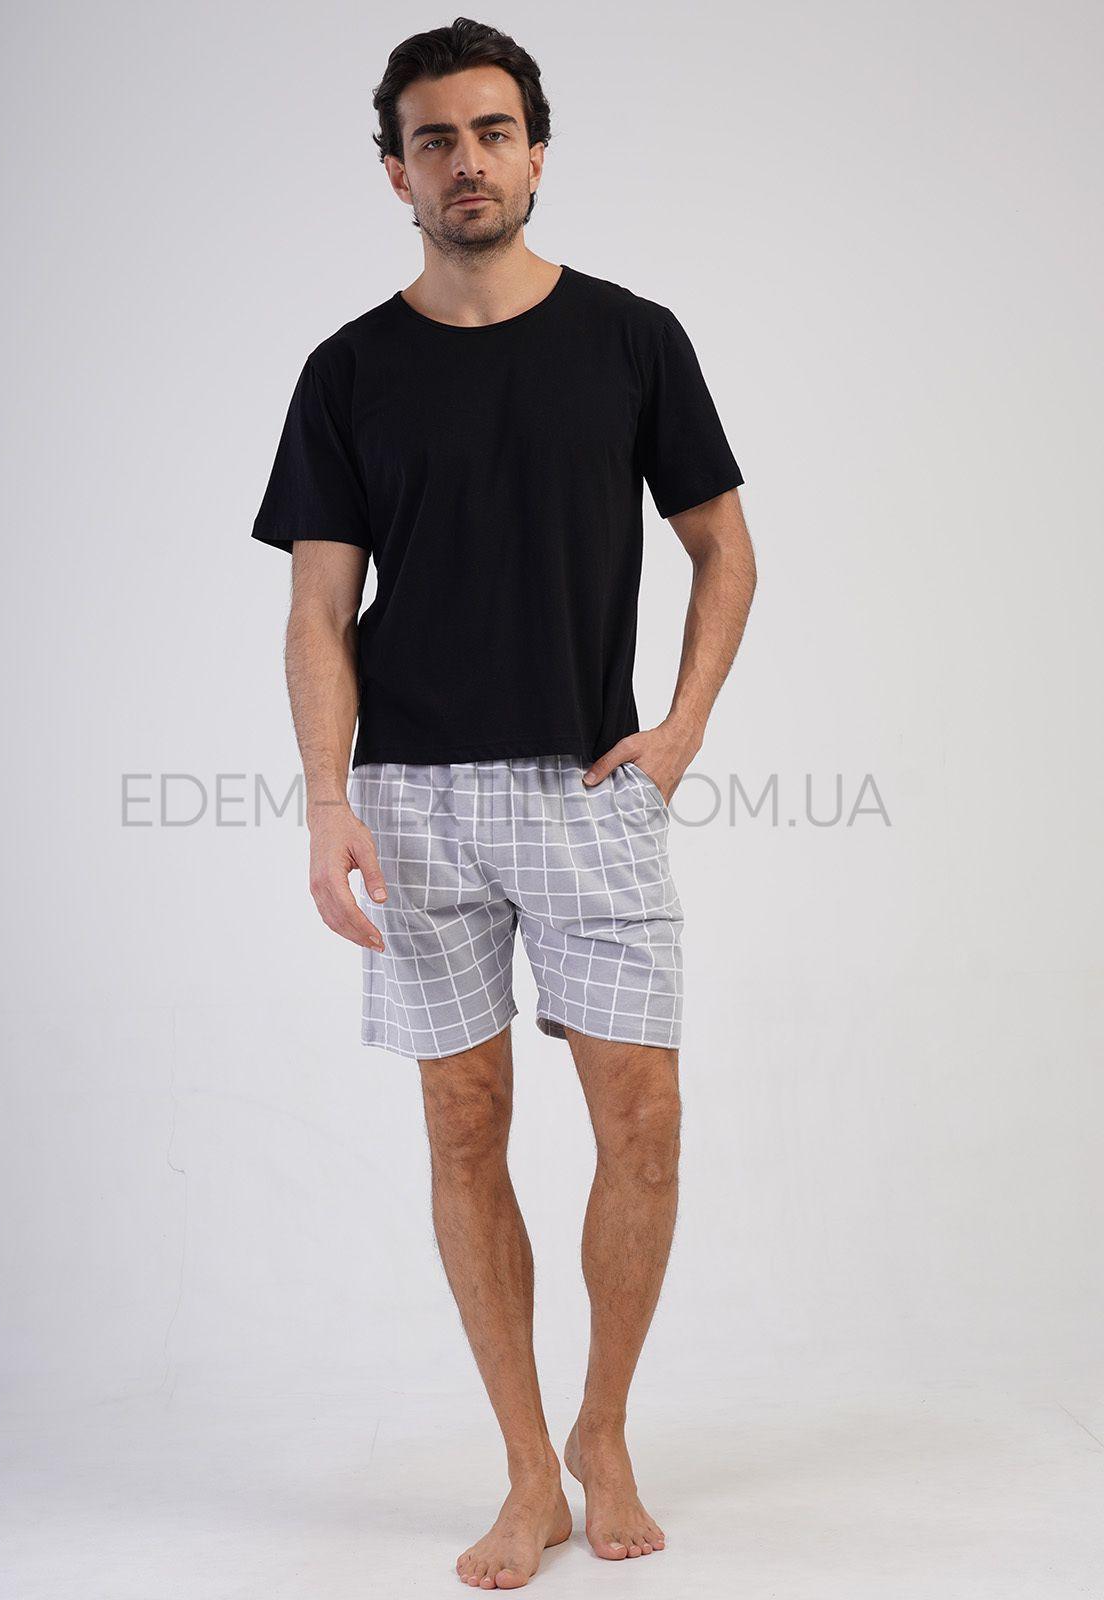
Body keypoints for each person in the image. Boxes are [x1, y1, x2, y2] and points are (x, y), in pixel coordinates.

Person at [251, 16, 756, 1590]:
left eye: (490, 132)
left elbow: (724, 549)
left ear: (536, 151)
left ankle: (604, 1428)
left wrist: (679, 730)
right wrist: (327, 802)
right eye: (433, 140)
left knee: (645, 1121)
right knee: (464, 1121)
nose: (464, 162)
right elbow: (319, 611)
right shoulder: (347, 370)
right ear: (394, 171)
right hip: (411, 799)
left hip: (590, 786)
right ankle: (529, 1464)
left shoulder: (632, 339)